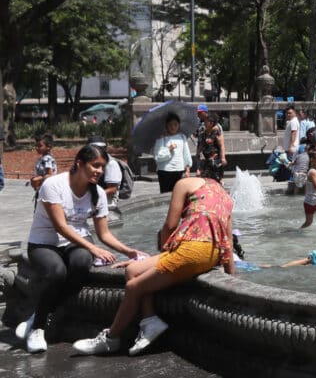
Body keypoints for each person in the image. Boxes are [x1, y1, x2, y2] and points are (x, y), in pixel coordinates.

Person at [72, 173, 234, 356]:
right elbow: (228, 242)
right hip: (208, 253)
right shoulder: (224, 196)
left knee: (133, 287)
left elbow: (170, 226)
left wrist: (164, 247)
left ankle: (111, 339)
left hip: (193, 252)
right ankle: (150, 321)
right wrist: (231, 281)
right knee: (133, 270)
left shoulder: (183, 183)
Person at [16, 145, 146, 353]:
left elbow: (104, 234)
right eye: (95, 166)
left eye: (102, 167)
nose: (99, 171)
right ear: (80, 163)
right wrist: (94, 248)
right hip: (43, 242)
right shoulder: (53, 185)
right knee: (56, 272)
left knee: (81, 264)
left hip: (74, 243)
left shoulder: (99, 194)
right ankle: (38, 329)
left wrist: (128, 250)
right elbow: (61, 226)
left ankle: (39, 315)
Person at [153, 113, 191, 194]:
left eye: (175, 124)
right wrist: (169, 149)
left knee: (178, 194)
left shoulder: (182, 137)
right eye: (170, 125)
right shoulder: (161, 138)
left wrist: (187, 170)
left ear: (179, 125)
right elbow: (157, 157)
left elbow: (186, 154)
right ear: (166, 125)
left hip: (178, 169)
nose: (173, 127)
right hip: (165, 171)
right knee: (166, 194)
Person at [86, 136, 122, 205]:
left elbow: (112, 190)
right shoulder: (91, 161)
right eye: (94, 149)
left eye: (100, 148)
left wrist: (90, 197)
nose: (98, 151)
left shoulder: (110, 164)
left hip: (108, 204)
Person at [197, 113, 227, 183]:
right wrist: (198, 152)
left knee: (216, 179)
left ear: (211, 123)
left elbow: (222, 146)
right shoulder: (203, 133)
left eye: (206, 121)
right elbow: (201, 145)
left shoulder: (217, 133)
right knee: (205, 179)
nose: (204, 122)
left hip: (216, 160)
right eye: (204, 121)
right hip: (206, 160)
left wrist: (223, 157)